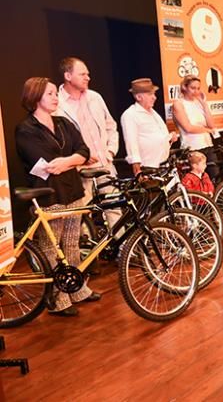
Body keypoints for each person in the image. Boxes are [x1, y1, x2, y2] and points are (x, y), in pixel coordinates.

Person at [15, 77, 101, 317]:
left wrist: (67, 161)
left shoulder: (63, 123)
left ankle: (77, 288)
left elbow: (83, 150)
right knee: (51, 248)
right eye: (50, 93)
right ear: (35, 98)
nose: (55, 97)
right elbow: (45, 163)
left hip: (73, 190)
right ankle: (57, 298)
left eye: (55, 93)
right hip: (49, 194)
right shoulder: (25, 129)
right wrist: (73, 161)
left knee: (73, 243)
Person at [56, 57, 120, 225]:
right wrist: (80, 157)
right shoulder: (57, 104)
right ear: (68, 76)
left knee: (114, 208)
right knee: (83, 215)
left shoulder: (95, 97)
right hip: (79, 170)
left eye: (88, 74)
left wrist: (110, 151)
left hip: (105, 165)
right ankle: (87, 250)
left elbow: (110, 126)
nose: (88, 77)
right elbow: (58, 141)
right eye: (82, 74)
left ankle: (124, 250)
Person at [120, 78, 178, 175]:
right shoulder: (130, 114)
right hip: (147, 168)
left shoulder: (153, 112)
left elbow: (156, 137)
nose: (154, 97)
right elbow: (131, 143)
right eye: (150, 94)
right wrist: (137, 169)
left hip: (162, 165)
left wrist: (169, 138)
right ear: (139, 97)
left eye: (154, 94)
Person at [172, 75, 219, 180]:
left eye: (198, 88)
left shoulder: (199, 103)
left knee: (214, 177)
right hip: (192, 148)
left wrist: (204, 104)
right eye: (193, 88)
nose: (196, 91)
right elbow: (188, 128)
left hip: (208, 145)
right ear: (184, 87)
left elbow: (212, 125)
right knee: (196, 181)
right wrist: (207, 130)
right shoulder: (178, 104)